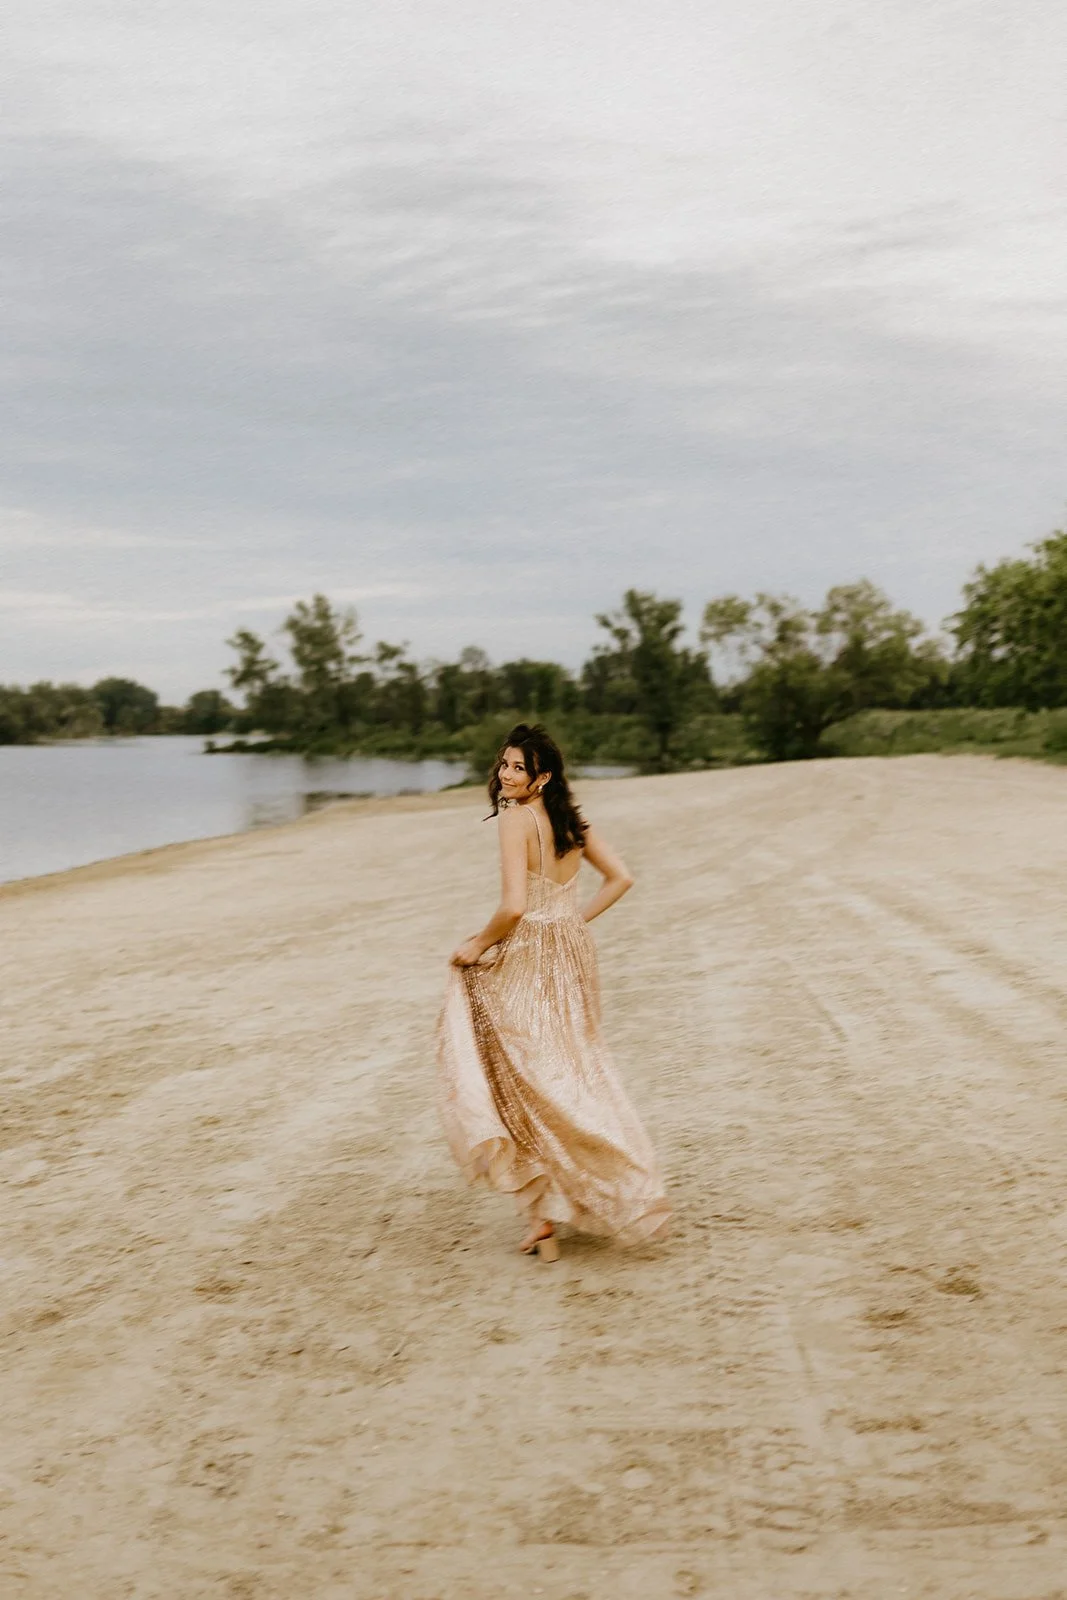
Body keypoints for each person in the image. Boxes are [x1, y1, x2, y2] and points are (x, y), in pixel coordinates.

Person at [435, 723, 670, 1261]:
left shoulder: (516, 820)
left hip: (528, 953)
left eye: (518, 767)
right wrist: (572, 921)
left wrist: (476, 945)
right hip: (570, 951)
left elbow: (514, 906)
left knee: (522, 1073)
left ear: (541, 777)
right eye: (504, 764)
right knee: (570, 1066)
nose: (505, 774)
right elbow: (621, 878)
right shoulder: (571, 819)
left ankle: (548, 1213)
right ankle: (554, 1209)